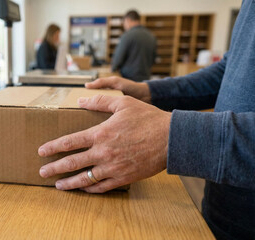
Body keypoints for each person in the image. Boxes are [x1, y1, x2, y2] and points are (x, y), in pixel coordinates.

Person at [37, 1, 254, 239]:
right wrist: (150, 91)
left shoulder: (129, 36)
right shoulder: (150, 35)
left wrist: (170, 137)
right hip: (222, 203)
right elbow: (230, 69)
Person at [112, 10, 156, 82]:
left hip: (128, 78)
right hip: (145, 78)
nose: (124, 26)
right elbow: (154, 58)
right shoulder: (151, 35)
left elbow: (118, 59)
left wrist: (113, 68)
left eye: (124, 23)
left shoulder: (127, 35)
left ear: (128, 20)